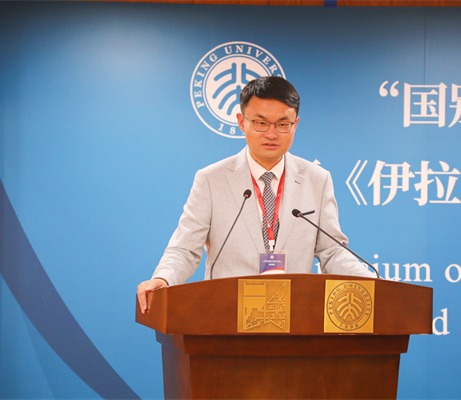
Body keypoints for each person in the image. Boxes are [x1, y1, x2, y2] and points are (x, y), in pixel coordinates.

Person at [137, 76, 375, 313]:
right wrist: (163, 278)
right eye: (261, 123)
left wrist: (372, 282)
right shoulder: (211, 179)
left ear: (296, 124)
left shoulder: (317, 179)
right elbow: (185, 249)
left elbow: (332, 250)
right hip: (226, 314)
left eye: (283, 124)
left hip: (294, 314)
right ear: (241, 122)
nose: (271, 134)